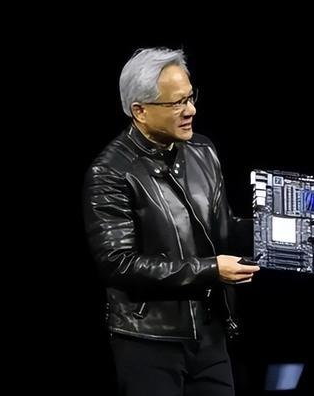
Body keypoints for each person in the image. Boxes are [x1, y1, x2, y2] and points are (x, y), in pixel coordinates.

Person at [82, 47, 260, 396]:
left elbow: (222, 228)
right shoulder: (110, 172)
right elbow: (118, 264)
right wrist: (211, 270)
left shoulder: (203, 151)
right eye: (177, 103)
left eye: (190, 98)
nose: (191, 110)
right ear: (140, 110)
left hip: (209, 335)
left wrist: (272, 233)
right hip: (148, 340)